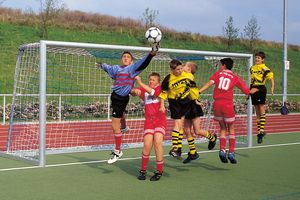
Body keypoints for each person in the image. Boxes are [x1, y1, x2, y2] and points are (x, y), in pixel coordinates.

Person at [97, 43, 159, 164]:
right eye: (124, 56)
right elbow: (107, 68)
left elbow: (143, 62)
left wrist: (151, 54)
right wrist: (101, 65)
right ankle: (124, 127)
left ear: (131, 61)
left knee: (115, 126)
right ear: (121, 59)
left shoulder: (132, 69)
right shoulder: (116, 69)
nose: (126, 58)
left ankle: (118, 151)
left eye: (128, 57)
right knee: (120, 116)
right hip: (114, 96)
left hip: (121, 98)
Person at [159, 59, 217, 160]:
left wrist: (197, 99)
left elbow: (194, 90)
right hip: (183, 104)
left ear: (188, 69)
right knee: (184, 129)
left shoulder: (188, 77)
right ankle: (186, 151)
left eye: (184, 66)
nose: (182, 68)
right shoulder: (173, 77)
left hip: (192, 105)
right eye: (180, 67)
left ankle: (212, 137)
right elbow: (166, 90)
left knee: (197, 130)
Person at [199, 58, 251, 164]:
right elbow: (245, 89)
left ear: (223, 65)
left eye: (220, 65)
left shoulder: (218, 74)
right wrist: (249, 93)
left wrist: (199, 91)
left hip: (217, 104)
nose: (219, 67)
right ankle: (231, 152)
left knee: (222, 127)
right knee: (231, 128)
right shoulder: (235, 77)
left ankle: (222, 149)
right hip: (227, 105)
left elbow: (209, 83)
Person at [131, 73, 166, 181]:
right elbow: (134, 92)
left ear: (158, 82)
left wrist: (140, 82)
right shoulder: (145, 89)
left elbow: (153, 93)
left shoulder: (160, 89)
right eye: (150, 80)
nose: (151, 81)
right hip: (149, 122)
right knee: (147, 145)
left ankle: (159, 171)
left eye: (153, 80)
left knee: (157, 143)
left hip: (159, 121)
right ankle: (143, 170)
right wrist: (134, 91)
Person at [250, 52, 274, 144]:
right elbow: (252, 81)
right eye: (256, 57)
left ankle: (260, 132)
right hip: (253, 88)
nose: (257, 59)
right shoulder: (252, 68)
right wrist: (249, 91)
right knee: (257, 111)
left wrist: (272, 88)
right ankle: (260, 131)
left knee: (261, 109)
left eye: (259, 58)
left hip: (260, 89)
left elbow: (271, 78)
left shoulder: (265, 68)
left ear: (262, 59)